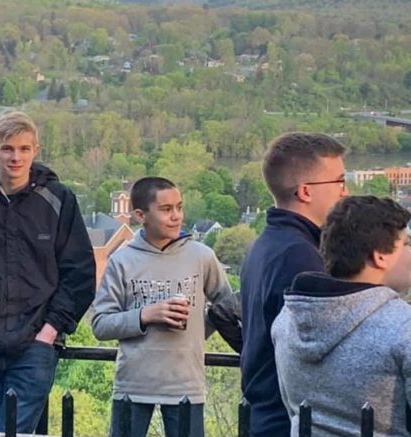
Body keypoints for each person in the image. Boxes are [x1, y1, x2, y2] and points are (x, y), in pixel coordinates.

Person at [0, 111, 96, 433]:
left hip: (37, 341)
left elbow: (79, 273)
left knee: (14, 433)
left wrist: (50, 332)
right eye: (8, 148)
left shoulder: (58, 199)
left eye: (24, 149)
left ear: (35, 151)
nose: (16, 157)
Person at [92, 177, 232, 437]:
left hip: (186, 384)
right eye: (166, 209)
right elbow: (100, 324)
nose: (176, 216)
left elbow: (226, 306)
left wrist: (198, 330)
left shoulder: (202, 256)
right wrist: (146, 316)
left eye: (179, 207)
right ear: (140, 215)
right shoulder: (121, 261)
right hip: (133, 385)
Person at [273, 196, 411, 436]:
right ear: (380, 255)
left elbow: (292, 408)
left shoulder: (287, 319)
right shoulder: (403, 326)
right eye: (406, 243)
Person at [240, 132, 348, 436]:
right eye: (339, 182)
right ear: (305, 191)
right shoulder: (299, 256)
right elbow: (320, 352)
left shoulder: (268, 244)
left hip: (266, 416)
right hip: (287, 421)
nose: (345, 192)